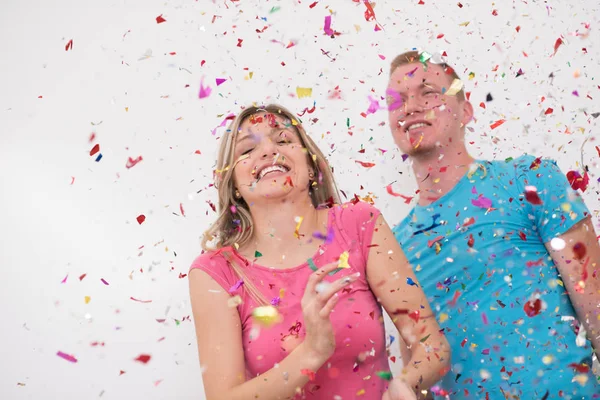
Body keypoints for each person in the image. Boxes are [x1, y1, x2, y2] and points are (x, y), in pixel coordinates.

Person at [188, 104, 450, 400]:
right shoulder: (215, 272)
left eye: (284, 140)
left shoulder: (360, 225)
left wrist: (405, 384)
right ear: (233, 183)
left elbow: (430, 343)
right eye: (247, 150)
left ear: (311, 166)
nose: (267, 151)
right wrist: (312, 351)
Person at [386, 50, 600, 399]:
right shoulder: (392, 248)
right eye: (398, 100)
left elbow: (596, 307)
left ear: (465, 112)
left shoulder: (530, 180)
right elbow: (419, 372)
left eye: (428, 93)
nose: (410, 107)